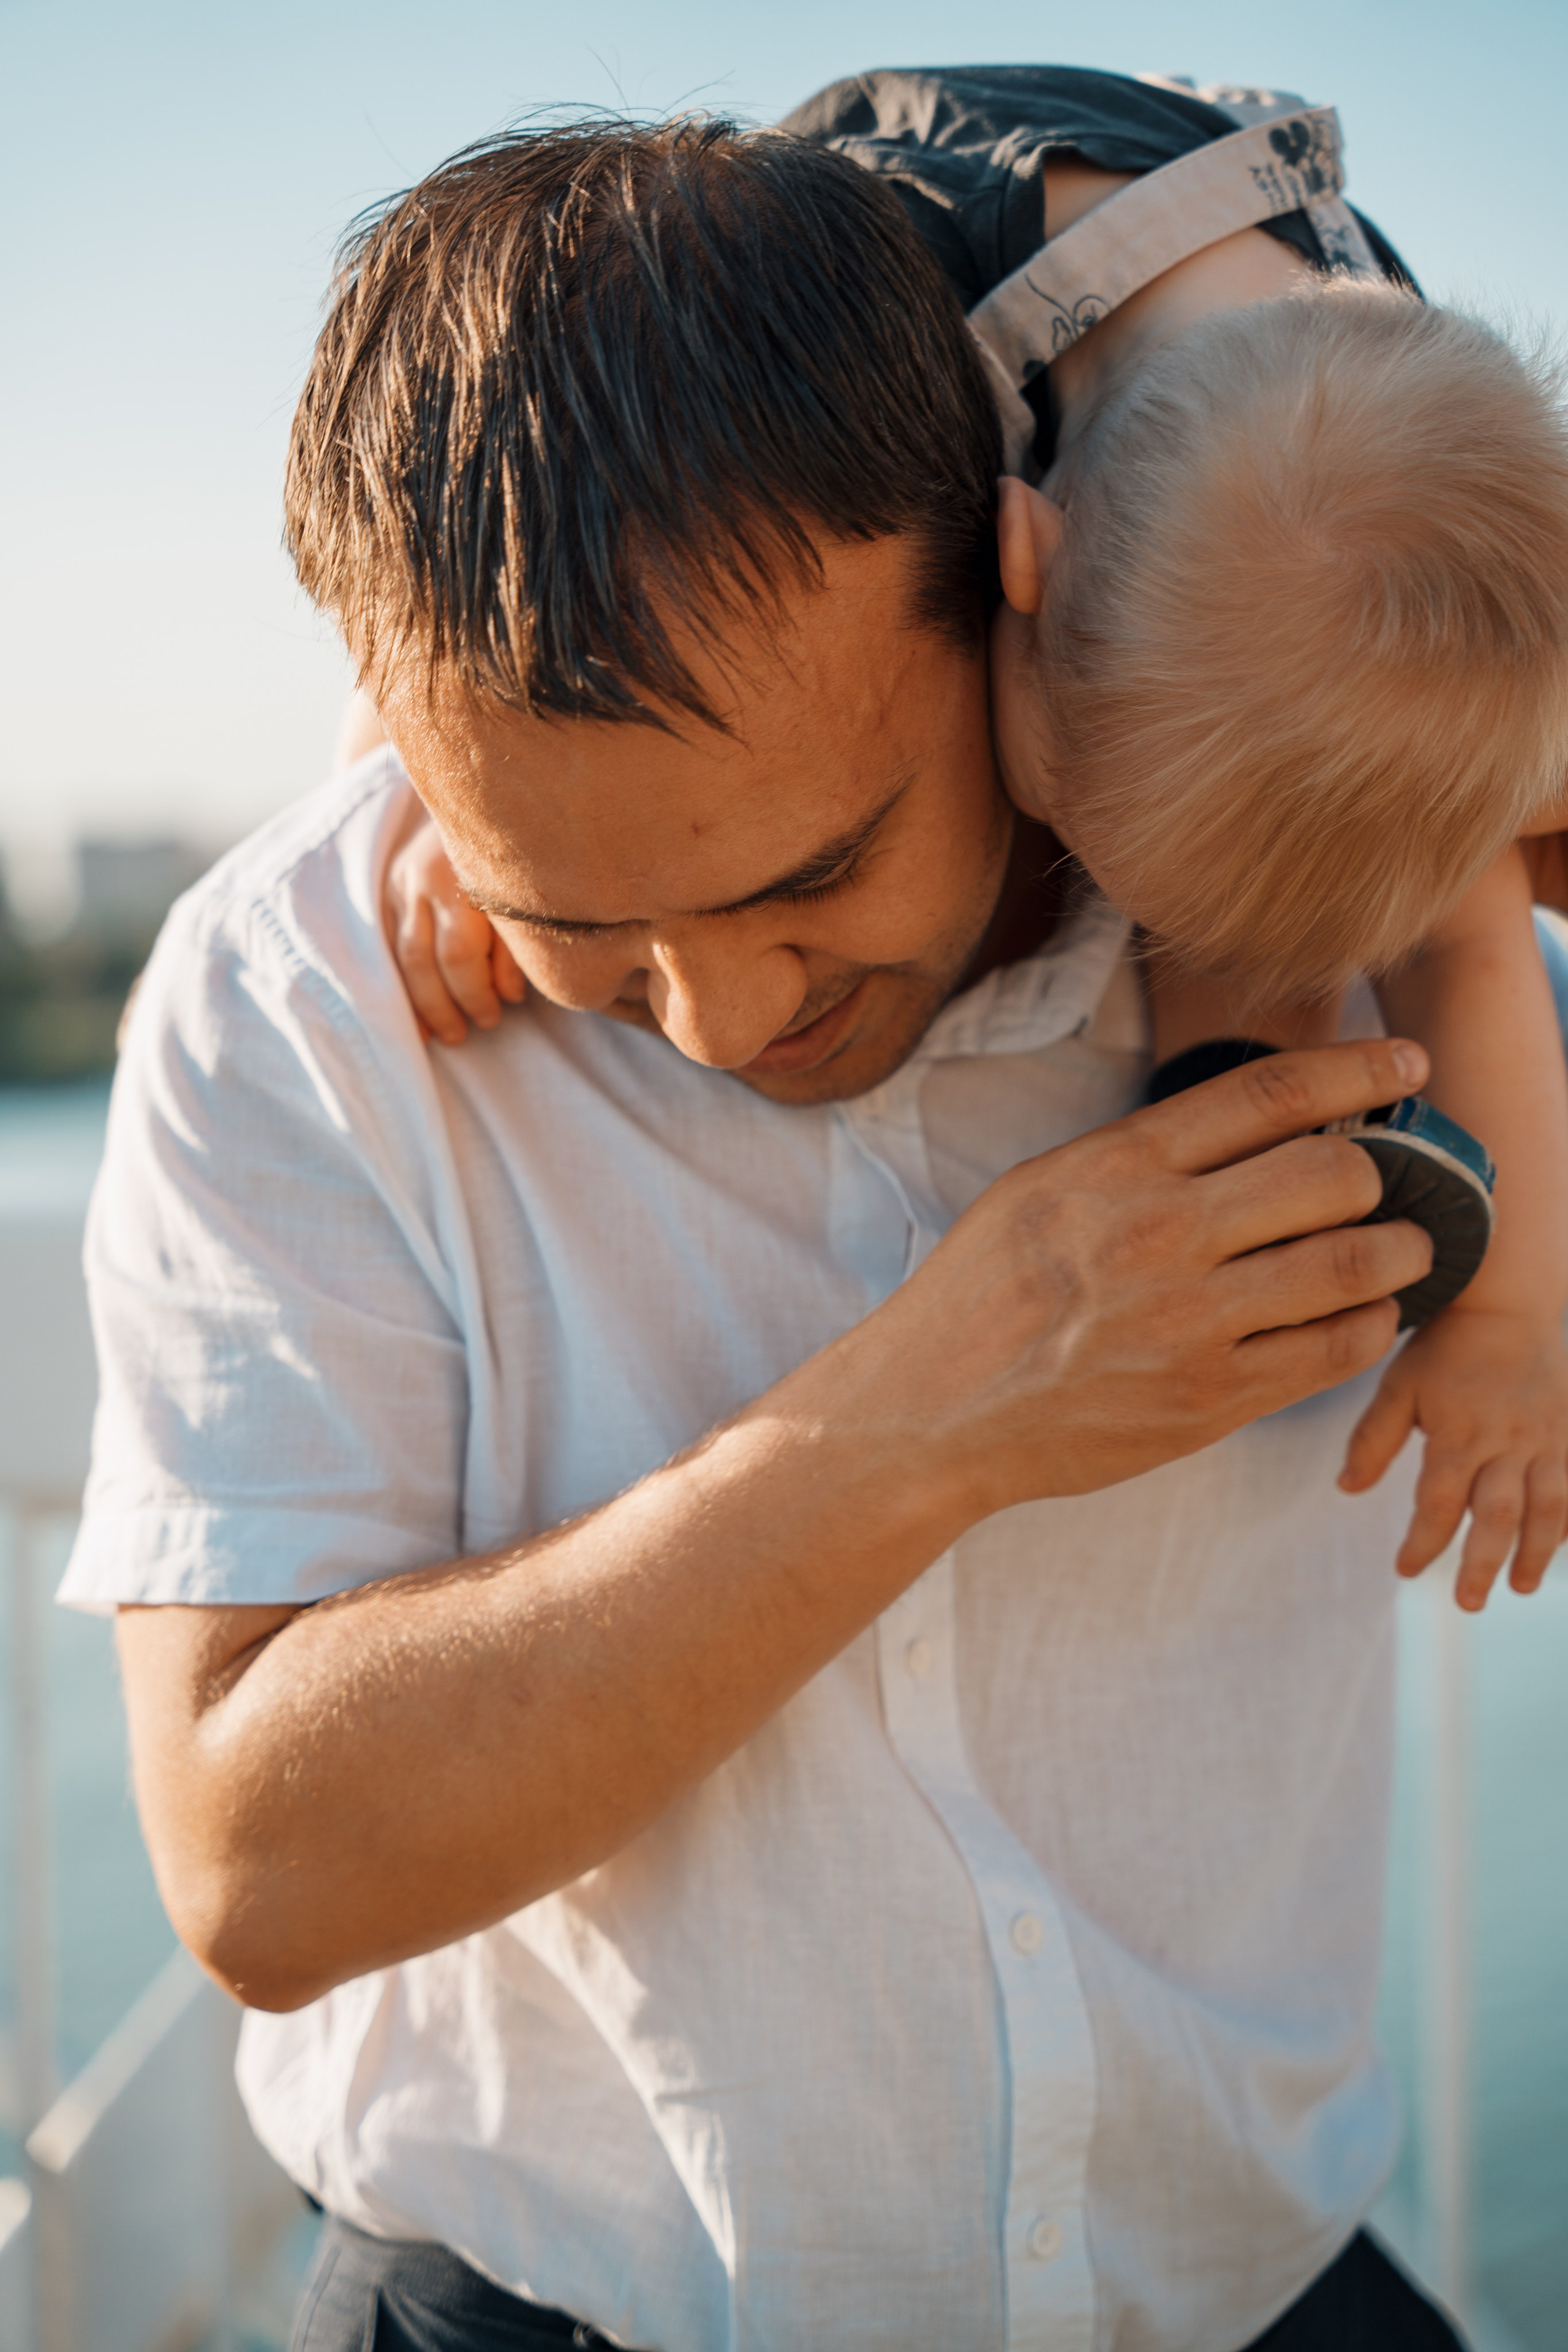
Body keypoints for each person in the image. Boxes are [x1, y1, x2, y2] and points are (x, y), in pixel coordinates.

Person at [70, 89, 1498, 2352]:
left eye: (815, 872)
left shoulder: (1274, 805)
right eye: (580, 923)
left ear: (1017, 586)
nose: (729, 1015)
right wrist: (923, 1419)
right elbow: (257, 1873)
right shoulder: (300, 995)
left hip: (1264, 2296)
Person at [377, 71, 1568, 1617]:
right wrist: (453, 806)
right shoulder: (892, 299)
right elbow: (487, 526)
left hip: (1300, 411)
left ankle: (1237, 1099)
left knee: (1391, 877)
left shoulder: (1376, 597)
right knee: (534, 479)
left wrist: (1511, 1325)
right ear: (1020, 551)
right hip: (915, 221)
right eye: (1063, 811)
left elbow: (1470, 951)